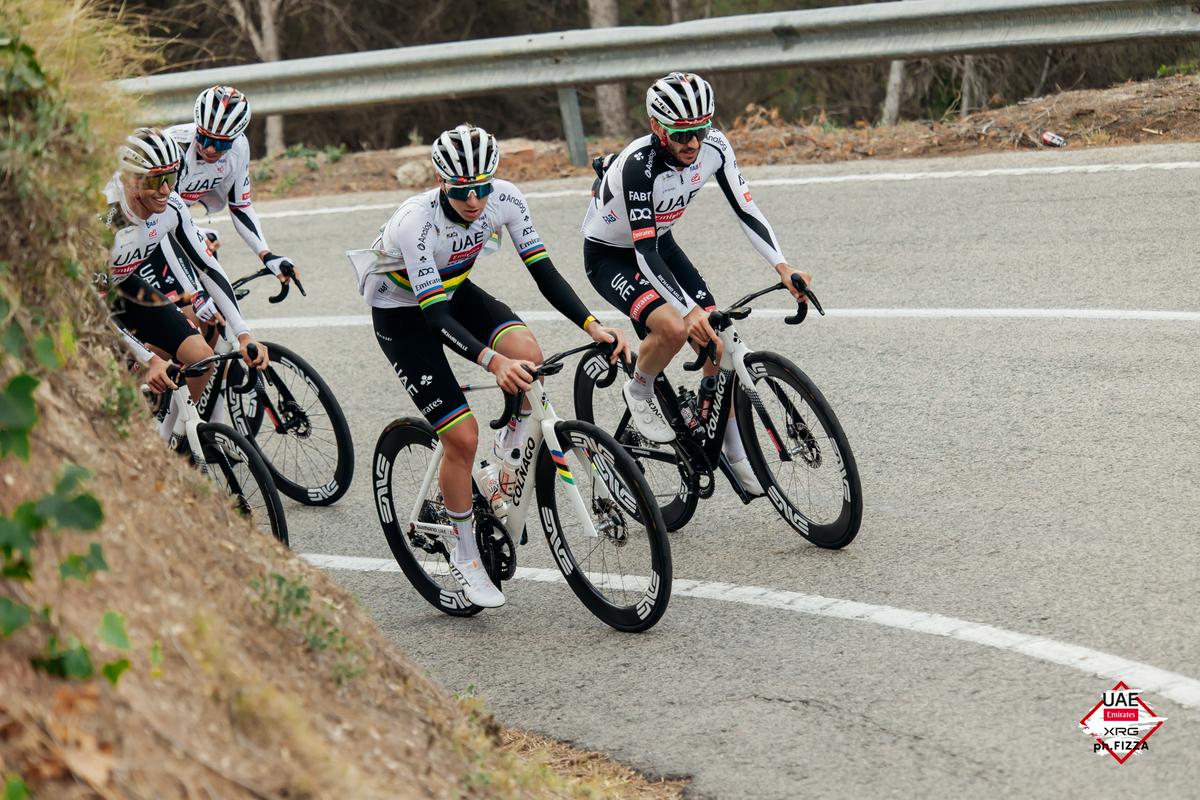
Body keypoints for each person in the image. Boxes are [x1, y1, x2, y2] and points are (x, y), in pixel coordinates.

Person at [350, 124, 630, 608]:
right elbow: (432, 315)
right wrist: (491, 360)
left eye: (482, 188)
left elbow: (542, 271)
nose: (475, 200)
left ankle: (505, 460)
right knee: (460, 437)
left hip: (453, 290)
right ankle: (464, 554)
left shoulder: (505, 197)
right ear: (442, 182)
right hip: (404, 314)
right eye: (463, 192)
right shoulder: (415, 221)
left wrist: (592, 325)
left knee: (532, 357)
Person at [580, 71, 811, 495]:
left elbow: (746, 209)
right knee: (672, 326)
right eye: (681, 133)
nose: (692, 142)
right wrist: (686, 312)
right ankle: (640, 387)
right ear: (656, 128)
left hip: (659, 242)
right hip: (612, 255)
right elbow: (643, 254)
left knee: (717, 339)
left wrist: (783, 267)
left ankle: (732, 450)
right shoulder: (638, 166)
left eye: (700, 129)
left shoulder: (715, 147)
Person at [103, 127, 268, 438]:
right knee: (115, 378)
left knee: (202, 358)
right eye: (155, 180)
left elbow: (207, 267)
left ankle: (170, 444)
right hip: (84, 302)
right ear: (130, 180)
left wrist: (244, 334)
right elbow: (89, 302)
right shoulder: (106, 220)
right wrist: (149, 359)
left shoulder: (173, 206)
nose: (166, 189)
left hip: (123, 282)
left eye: (172, 176)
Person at [165, 85, 299, 285]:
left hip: (172, 220)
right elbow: (160, 215)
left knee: (210, 301)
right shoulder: (176, 146)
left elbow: (240, 206)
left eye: (220, 144)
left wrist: (266, 255)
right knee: (193, 303)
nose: (210, 149)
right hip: (144, 221)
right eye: (204, 138)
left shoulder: (239, 148)